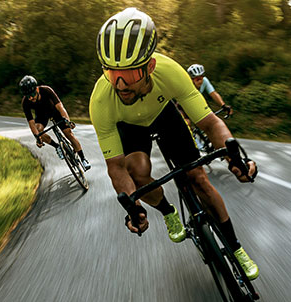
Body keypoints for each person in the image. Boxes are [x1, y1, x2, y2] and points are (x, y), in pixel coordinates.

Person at [89, 8, 260, 279]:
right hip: (130, 127)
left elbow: (210, 124)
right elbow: (115, 168)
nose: (121, 86)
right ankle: (168, 211)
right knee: (137, 169)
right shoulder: (101, 101)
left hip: (164, 116)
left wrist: (234, 158)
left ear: (150, 66)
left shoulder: (169, 72)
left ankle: (236, 248)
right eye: (112, 74)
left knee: (198, 179)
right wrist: (135, 207)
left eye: (131, 75)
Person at [19, 75, 91, 170]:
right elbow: (31, 123)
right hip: (42, 116)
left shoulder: (46, 90)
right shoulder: (25, 102)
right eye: (28, 96)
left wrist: (67, 121)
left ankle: (83, 159)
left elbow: (60, 107)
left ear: (37, 89)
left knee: (68, 134)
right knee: (38, 131)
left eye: (32, 94)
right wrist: (37, 137)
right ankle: (57, 146)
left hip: (55, 112)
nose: (31, 98)